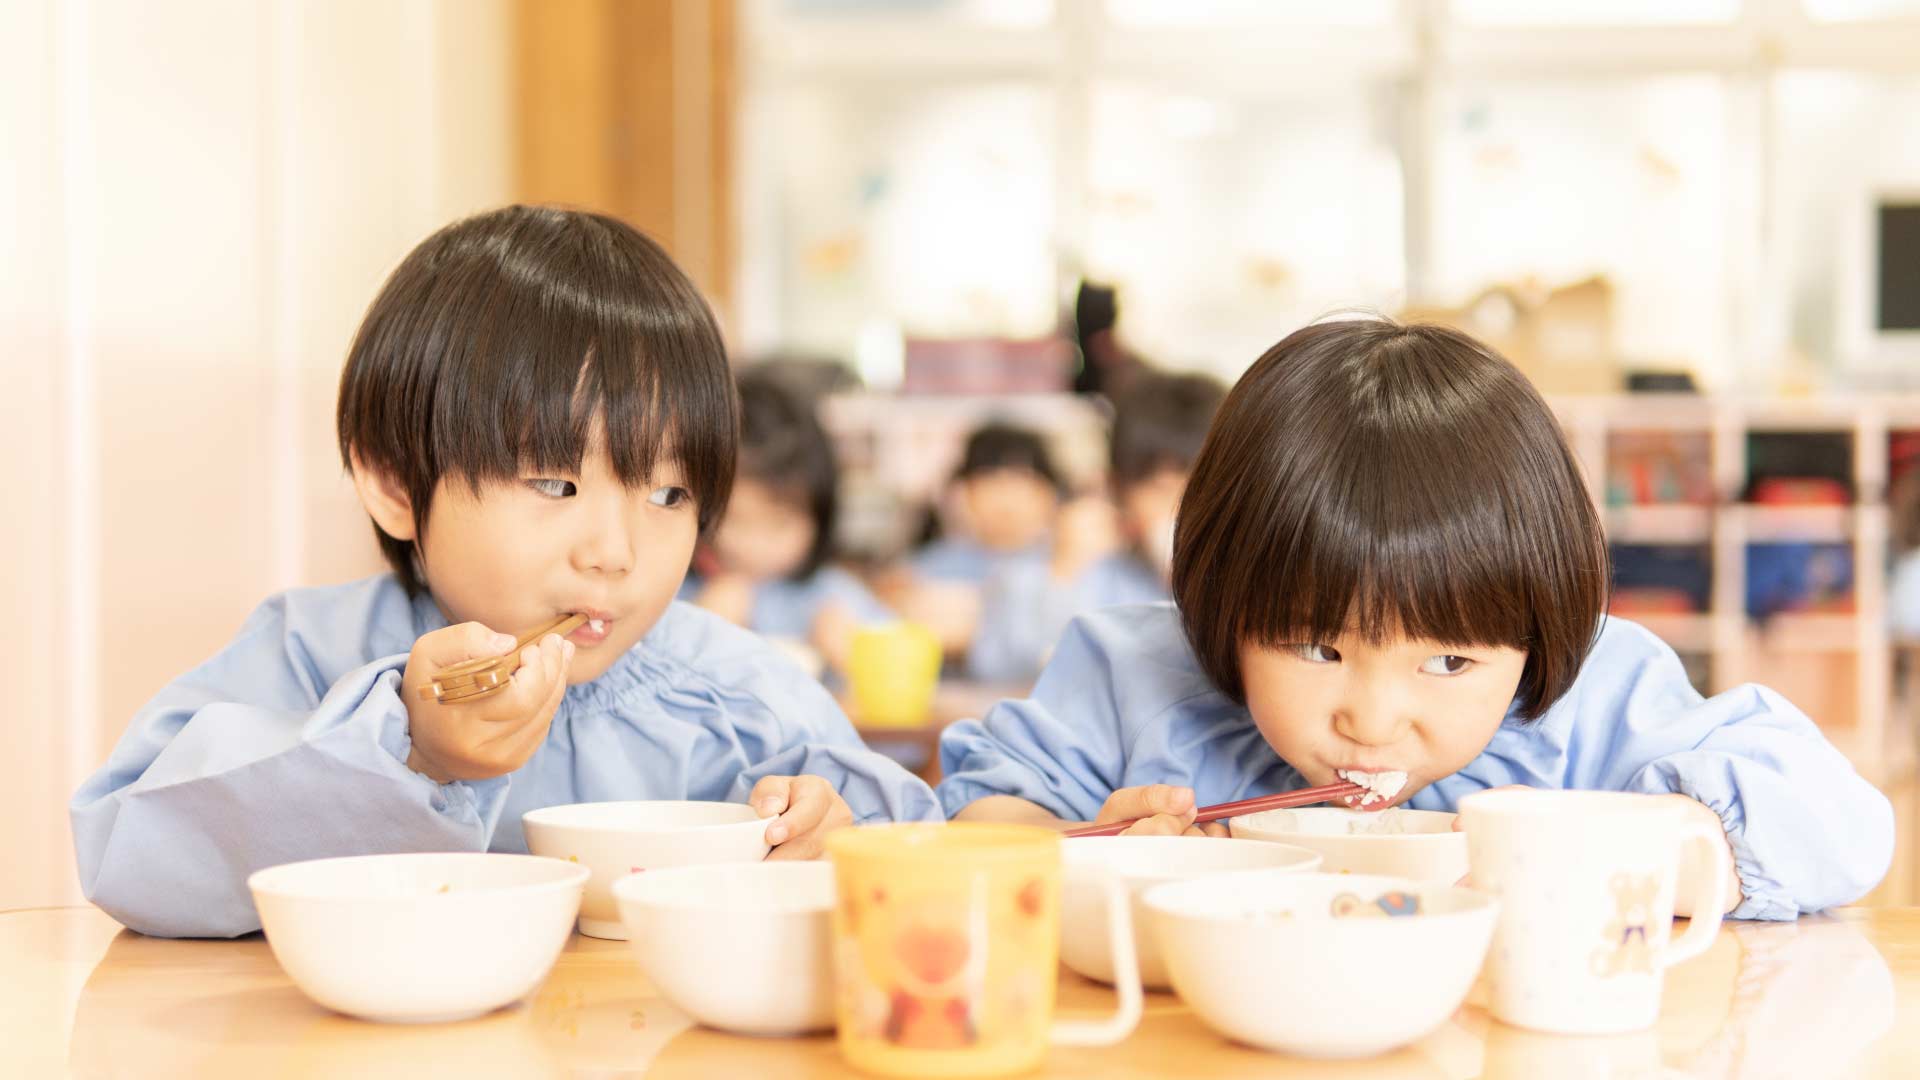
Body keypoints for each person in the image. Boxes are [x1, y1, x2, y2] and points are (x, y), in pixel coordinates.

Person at [71, 206, 941, 937]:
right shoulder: (308, 653)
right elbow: (127, 857)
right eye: (556, 484)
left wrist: (829, 839)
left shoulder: (736, 700)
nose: (615, 552)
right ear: (395, 483)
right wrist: (411, 751)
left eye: (668, 493)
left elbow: (915, 860)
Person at [938, 317, 1891, 920]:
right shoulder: (1135, 673)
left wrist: (1619, 855)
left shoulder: (1592, 695)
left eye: (1448, 663)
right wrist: (1096, 859)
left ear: (1536, 634)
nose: (1373, 720)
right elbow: (976, 824)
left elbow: (1842, 832)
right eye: (1315, 646)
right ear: (1220, 604)